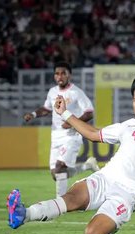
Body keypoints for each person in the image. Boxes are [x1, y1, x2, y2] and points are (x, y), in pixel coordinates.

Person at [7, 75, 135, 234]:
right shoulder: (126, 126)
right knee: (71, 198)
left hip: (128, 194)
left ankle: (108, 229)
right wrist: (64, 113)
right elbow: (93, 134)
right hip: (106, 178)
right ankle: (24, 214)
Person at [23, 61, 100, 197]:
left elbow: (89, 112)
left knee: (59, 167)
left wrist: (72, 122)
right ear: (54, 76)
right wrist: (33, 114)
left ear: (69, 75)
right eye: (57, 74)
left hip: (71, 135)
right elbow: (46, 109)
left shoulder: (76, 92)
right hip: (56, 135)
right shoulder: (52, 92)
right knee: (56, 174)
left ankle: (61, 203)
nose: (60, 76)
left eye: (63, 73)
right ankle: (87, 166)